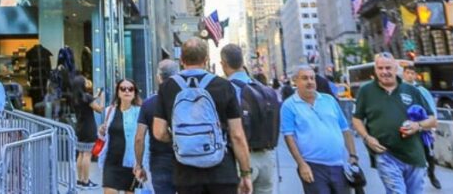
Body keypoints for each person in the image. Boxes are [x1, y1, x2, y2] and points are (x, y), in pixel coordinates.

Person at [152, 38, 253, 194]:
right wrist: (245, 173)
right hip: (222, 172)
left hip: (185, 173)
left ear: (181, 59)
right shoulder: (224, 86)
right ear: (206, 59)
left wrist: (183, 139)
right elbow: (237, 135)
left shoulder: (166, 87)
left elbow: (159, 132)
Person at [351, 52, 435, 194]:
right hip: (386, 154)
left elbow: (432, 120)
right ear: (375, 70)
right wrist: (367, 137)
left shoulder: (411, 90)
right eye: (380, 68)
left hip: (414, 154)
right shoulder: (366, 91)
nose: (384, 72)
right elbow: (356, 118)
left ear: (396, 69)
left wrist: (418, 126)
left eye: (388, 68)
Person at [280, 65, 359, 193]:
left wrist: (353, 155)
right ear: (295, 81)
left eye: (312, 78)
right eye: (305, 78)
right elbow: (289, 137)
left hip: (339, 165)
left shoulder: (329, 100)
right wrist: (302, 164)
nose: (310, 82)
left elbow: (345, 129)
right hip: (313, 166)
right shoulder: (289, 105)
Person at [220, 44, 279, 194]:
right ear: (242, 62)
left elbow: (234, 132)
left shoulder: (227, 89)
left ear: (223, 64)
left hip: (242, 159)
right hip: (267, 156)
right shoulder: (263, 88)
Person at [135, 60, 179, 194]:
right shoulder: (185, 99)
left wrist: (139, 165)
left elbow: (139, 138)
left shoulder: (148, 104)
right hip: (184, 158)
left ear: (158, 77)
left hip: (159, 161)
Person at [400, 62, 440, 189]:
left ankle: (432, 174)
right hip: (407, 127)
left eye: (412, 73)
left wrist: (432, 125)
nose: (410, 76)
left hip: (423, 128)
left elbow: (431, 109)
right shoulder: (399, 89)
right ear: (403, 74)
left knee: (429, 153)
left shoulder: (422, 90)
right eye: (407, 73)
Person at [98, 78, 142, 194]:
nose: (127, 91)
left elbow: (144, 139)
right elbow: (105, 137)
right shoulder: (109, 111)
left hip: (131, 162)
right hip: (111, 161)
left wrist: (141, 164)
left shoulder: (140, 112)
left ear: (134, 92)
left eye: (130, 89)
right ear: (118, 92)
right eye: (123, 89)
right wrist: (101, 131)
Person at [72, 74, 104, 188]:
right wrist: (102, 99)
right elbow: (99, 110)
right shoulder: (87, 97)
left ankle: (80, 179)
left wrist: (96, 96)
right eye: (85, 82)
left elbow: (88, 101)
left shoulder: (76, 98)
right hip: (89, 129)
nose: (87, 83)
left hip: (80, 128)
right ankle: (86, 181)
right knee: (87, 154)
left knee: (80, 154)